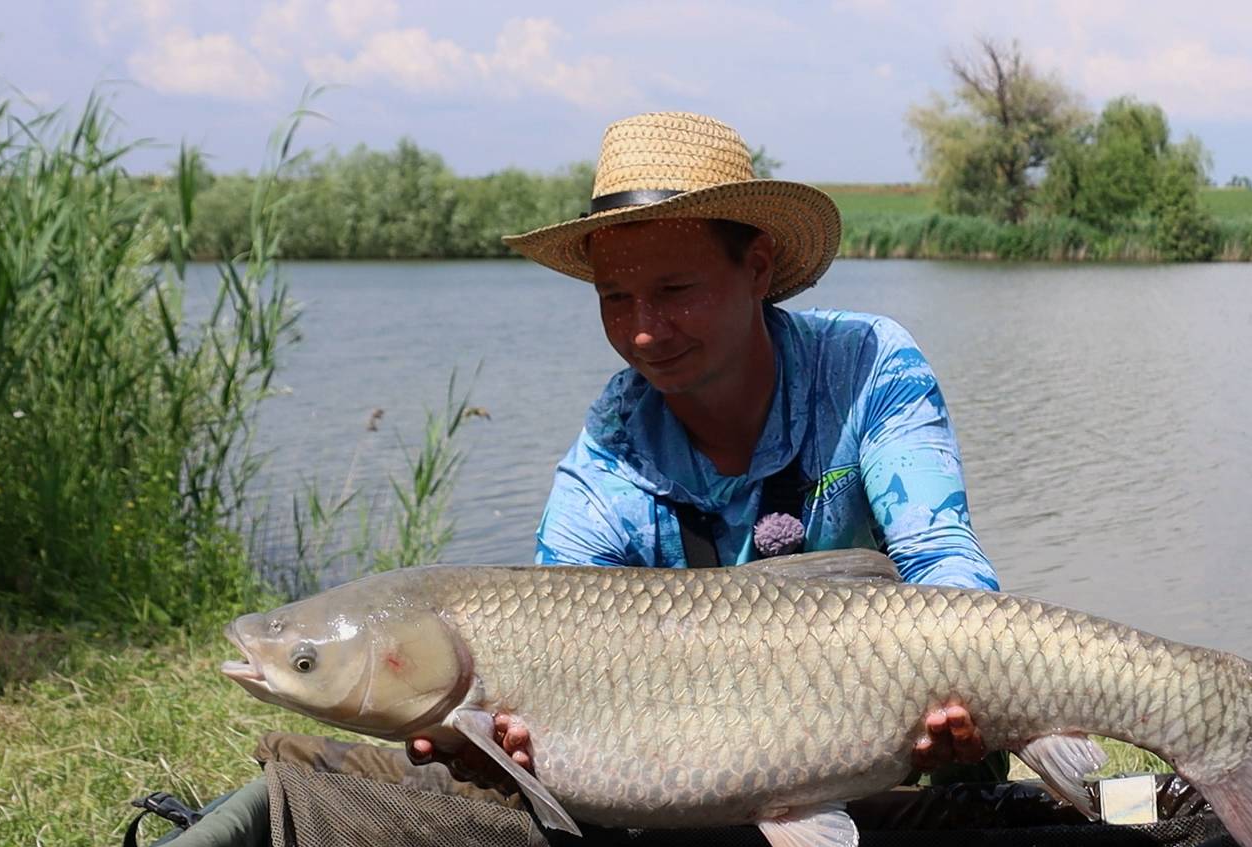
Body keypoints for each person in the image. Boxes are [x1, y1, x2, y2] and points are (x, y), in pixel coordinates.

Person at [408, 111, 1004, 788]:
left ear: (756, 268)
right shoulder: (607, 459)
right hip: (707, 771)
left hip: (895, 728)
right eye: (616, 299)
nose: (643, 332)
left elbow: (939, 554)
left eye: (674, 292)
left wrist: (966, 687)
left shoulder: (868, 364)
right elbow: (555, 650)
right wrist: (511, 739)